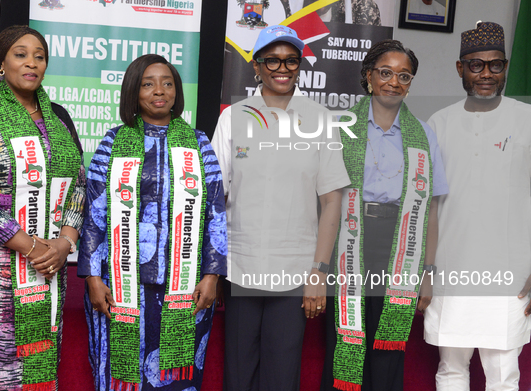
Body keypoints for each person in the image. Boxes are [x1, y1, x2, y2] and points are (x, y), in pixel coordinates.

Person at [212, 25, 350, 391]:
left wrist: (318, 272)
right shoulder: (233, 118)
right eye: (272, 60)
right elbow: (214, 197)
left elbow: (331, 200)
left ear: (300, 65)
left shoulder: (320, 119)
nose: (282, 68)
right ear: (256, 66)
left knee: (282, 375)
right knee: (238, 374)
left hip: (296, 272)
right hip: (241, 267)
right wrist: (211, 268)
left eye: (291, 60)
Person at [0, 25, 85, 389]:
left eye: (39, 56)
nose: (31, 63)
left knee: (36, 370)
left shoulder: (59, 117)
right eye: (21, 54)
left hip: (46, 271)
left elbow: (78, 186)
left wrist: (64, 243)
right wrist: (34, 246)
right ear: (1, 63)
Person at [78, 54, 227, 391]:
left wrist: (212, 273)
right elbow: (94, 216)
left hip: (185, 286)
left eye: (168, 82)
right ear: (134, 90)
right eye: (148, 83)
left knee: (176, 376)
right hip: (121, 285)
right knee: (121, 373)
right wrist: (92, 277)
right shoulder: (113, 143)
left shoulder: (200, 144)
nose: (159, 91)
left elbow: (216, 211)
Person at [320, 39, 448, 391]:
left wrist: (427, 272)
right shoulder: (339, 126)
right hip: (347, 240)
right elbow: (324, 200)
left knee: (388, 348)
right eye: (386, 73)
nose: (394, 82)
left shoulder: (423, 135)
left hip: (401, 244)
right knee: (345, 339)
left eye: (404, 76)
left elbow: (431, 209)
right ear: (368, 76)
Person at [424, 21, 531, 391]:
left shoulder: (527, 120)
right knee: (451, 370)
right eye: (476, 65)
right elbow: (427, 205)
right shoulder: (438, 124)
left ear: (505, 66)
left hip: (511, 275)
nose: (486, 74)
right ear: (460, 69)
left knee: (503, 374)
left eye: (496, 65)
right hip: (450, 272)